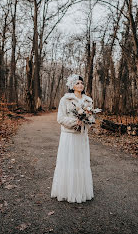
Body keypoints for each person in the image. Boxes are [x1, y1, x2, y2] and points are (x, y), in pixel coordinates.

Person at [50, 74, 94, 203]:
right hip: (69, 136)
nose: (80, 85)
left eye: (81, 83)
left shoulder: (88, 101)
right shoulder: (65, 100)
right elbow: (60, 118)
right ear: (71, 86)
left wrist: (87, 121)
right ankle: (67, 190)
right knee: (69, 162)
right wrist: (75, 121)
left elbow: (92, 118)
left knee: (81, 162)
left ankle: (81, 191)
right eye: (77, 83)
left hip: (82, 137)